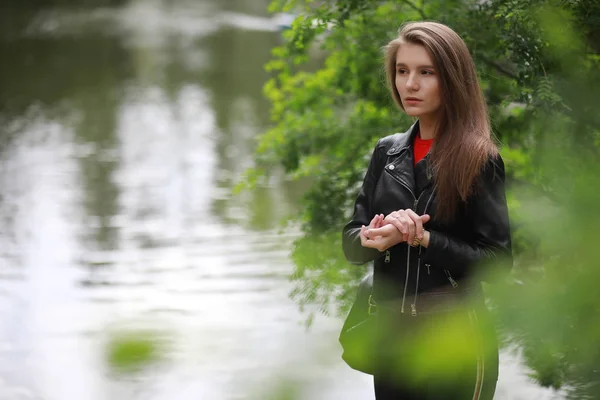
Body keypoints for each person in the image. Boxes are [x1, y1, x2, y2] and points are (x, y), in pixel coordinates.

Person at [341, 21, 512, 400]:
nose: (410, 84)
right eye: (402, 71)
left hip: (456, 339)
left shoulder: (478, 159)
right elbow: (351, 245)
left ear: (451, 79)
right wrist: (375, 236)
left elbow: (498, 262)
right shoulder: (387, 152)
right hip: (391, 340)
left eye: (426, 72)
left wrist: (422, 237)